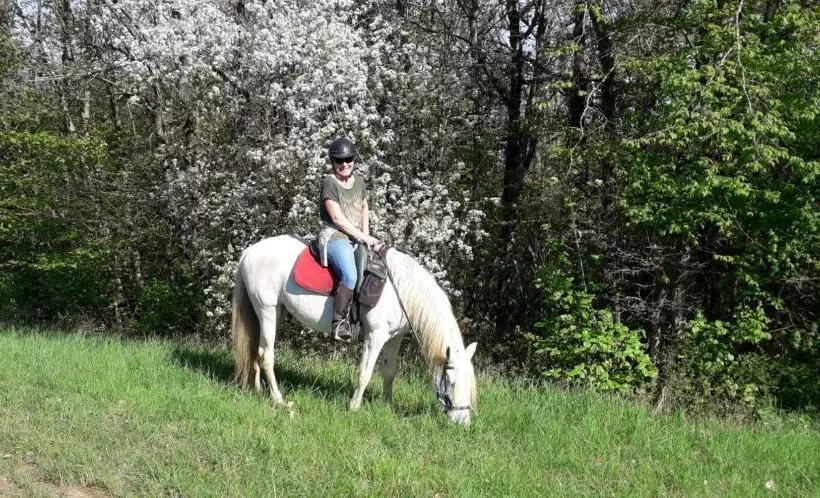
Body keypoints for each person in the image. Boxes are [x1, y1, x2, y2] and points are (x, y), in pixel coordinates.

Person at [317, 137, 379, 342]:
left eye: (348, 159)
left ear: (353, 159)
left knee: (373, 271)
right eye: (339, 161)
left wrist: (366, 235)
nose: (344, 164)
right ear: (333, 163)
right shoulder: (329, 182)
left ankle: (360, 321)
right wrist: (361, 236)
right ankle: (338, 323)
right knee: (351, 276)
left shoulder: (359, 181)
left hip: (356, 236)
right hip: (335, 235)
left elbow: (363, 208)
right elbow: (337, 218)